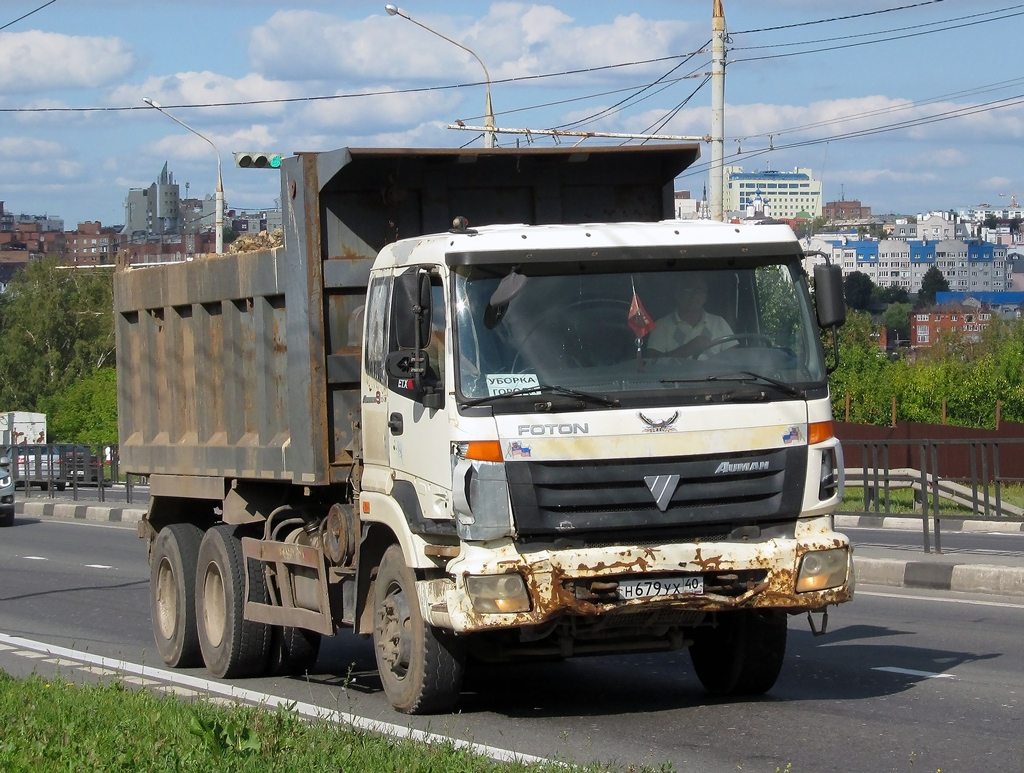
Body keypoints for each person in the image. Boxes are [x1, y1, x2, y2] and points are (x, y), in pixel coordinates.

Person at [647, 273, 734, 358]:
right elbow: (652, 364)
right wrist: (688, 349)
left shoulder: (719, 323)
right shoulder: (661, 326)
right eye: (688, 289)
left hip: (717, 373)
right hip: (677, 373)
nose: (694, 296)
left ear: (706, 295)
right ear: (677, 293)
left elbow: (733, 360)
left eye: (699, 290)